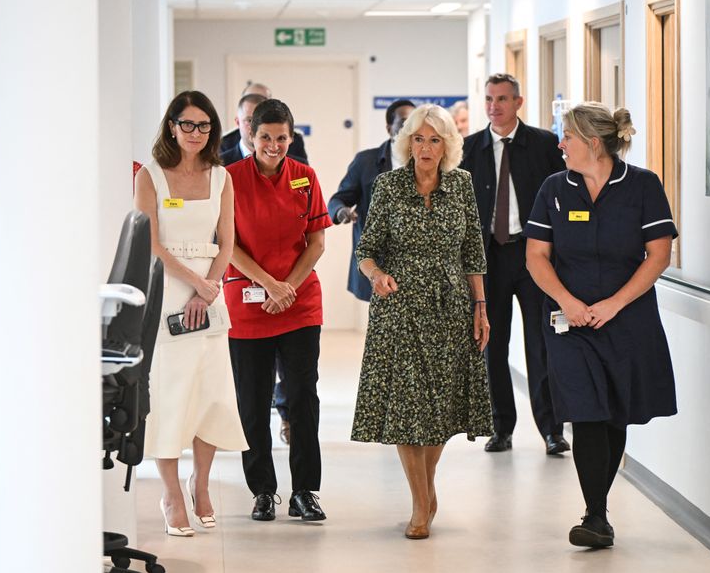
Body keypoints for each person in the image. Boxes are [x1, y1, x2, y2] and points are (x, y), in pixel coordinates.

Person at [524, 103, 677, 548]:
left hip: (627, 320)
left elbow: (659, 255)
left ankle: (598, 507)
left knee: (614, 413)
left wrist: (614, 303)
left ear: (592, 143)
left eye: (566, 137)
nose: (560, 145)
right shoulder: (554, 188)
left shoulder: (643, 186)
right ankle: (595, 515)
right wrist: (568, 301)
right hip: (569, 322)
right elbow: (536, 256)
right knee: (585, 411)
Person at [351, 104, 493, 540]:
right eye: (418, 138)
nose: (425, 147)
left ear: (448, 145)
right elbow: (366, 249)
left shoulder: (463, 185)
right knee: (406, 408)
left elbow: (472, 250)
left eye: (434, 139)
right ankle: (420, 501)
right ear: (406, 143)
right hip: (401, 309)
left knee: (441, 408)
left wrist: (481, 307)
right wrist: (377, 275)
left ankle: (427, 487)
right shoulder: (388, 185)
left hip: (451, 306)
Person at [135, 90, 248, 537]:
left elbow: (228, 240)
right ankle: (171, 494)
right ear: (171, 126)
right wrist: (193, 282)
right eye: (187, 124)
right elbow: (152, 242)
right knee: (170, 394)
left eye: (204, 125)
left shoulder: (221, 177)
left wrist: (210, 287)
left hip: (210, 294)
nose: (195, 133)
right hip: (168, 289)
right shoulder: (150, 176)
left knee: (211, 394)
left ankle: (200, 483)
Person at [224, 98, 332, 523]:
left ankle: (305, 491)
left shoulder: (305, 177)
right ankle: (263, 491)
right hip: (249, 305)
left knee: (303, 399)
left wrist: (287, 287)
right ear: (250, 135)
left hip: (299, 304)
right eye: (265, 137)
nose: (273, 145)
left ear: (292, 137)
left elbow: (317, 241)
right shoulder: (230, 179)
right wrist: (269, 284)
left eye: (281, 138)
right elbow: (228, 246)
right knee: (252, 402)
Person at [460, 73, 569, 455]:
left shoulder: (544, 145)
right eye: (489, 99)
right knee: (493, 344)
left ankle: (552, 430)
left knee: (542, 344)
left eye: (503, 99)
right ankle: (501, 427)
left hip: (534, 256)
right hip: (489, 259)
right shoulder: (468, 149)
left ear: (518, 103)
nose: (495, 106)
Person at [327, 98, 415, 301]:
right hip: (377, 262)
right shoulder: (366, 161)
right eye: (403, 122)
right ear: (388, 128)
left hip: (415, 261)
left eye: (413, 124)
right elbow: (338, 199)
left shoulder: (426, 161)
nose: (409, 129)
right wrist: (342, 212)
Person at [221, 82, 308, 164]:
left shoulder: (300, 168)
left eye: (281, 138)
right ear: (238, 121)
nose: (274, 146)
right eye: (249, 120)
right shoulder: (222, 164)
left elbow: (302, 177)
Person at [220, 93, 266, 166]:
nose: (256, 127)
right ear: (238, 122)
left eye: (261, 120)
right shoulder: (219, 165)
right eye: (249, 120)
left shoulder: (286, 162)